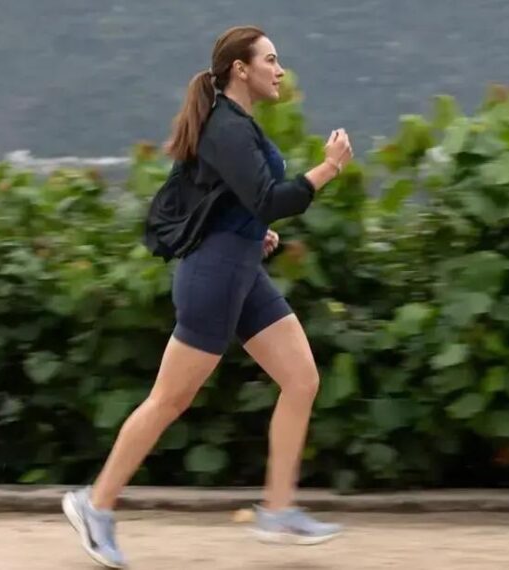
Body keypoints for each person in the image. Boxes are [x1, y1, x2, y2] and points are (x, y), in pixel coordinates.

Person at [62, 25, 354, 568]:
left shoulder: (235, 125)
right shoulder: (226, 126)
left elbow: (227, 198)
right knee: (168, 400)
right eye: (270, 59)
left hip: (241, 269)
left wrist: (249, 228)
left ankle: (279, 508)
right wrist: (329, 168)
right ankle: (94, 504)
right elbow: (272, 198)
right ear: (240, 69)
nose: (280, 69)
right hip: (215, 278)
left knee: (301, 379)